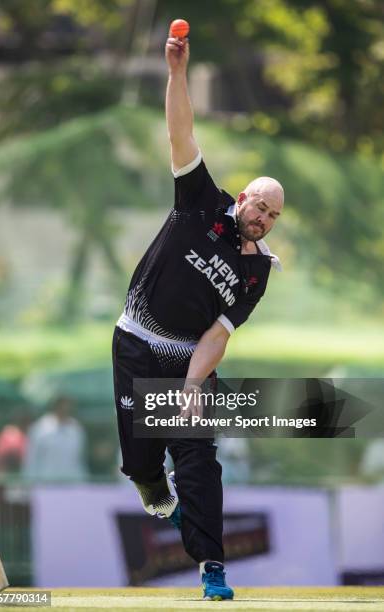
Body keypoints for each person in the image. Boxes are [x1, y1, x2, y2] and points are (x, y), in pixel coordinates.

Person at [112, 33, 284, 601]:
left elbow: (218, 333)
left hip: (190, 360)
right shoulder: (200, 200)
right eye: (258, 203)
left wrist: (190, 385)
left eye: (272, 214)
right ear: (241, 198)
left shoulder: (258, 273)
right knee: (142, 459)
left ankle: (212, 565)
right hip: (136, 343)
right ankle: (146, 480)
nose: (261, 215)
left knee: (199, 459)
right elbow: (180, 132)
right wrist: (177, 73)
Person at [22, 396, 87, 482]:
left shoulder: (76, 429)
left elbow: (80, 459)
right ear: (56, 407)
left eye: (68, 407)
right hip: (46, 484)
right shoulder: (40, 428)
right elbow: (31, 459)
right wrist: (29, 483)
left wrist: (83, 483)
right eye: (63, 406)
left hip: (72, 484)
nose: (65, 409)